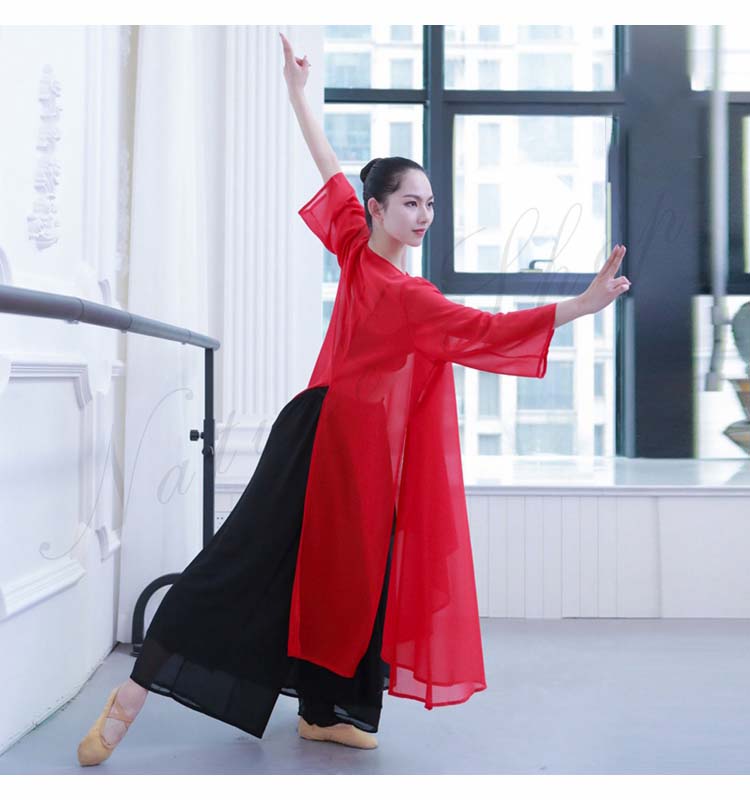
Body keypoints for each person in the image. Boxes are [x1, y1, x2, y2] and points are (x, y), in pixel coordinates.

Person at [76, 31, 630, 767]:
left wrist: (298, 94)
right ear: (377, 207)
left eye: (430, 203)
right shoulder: (403, 292)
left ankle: (323, 709)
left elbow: (329, 164)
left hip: (335, 440)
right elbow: (487, 330)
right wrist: (581, 305)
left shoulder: (353, 246)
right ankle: (136, 694)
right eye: (410, 203)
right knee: (255, 564)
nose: (424, 215)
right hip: (333, 445)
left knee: (334, 578)